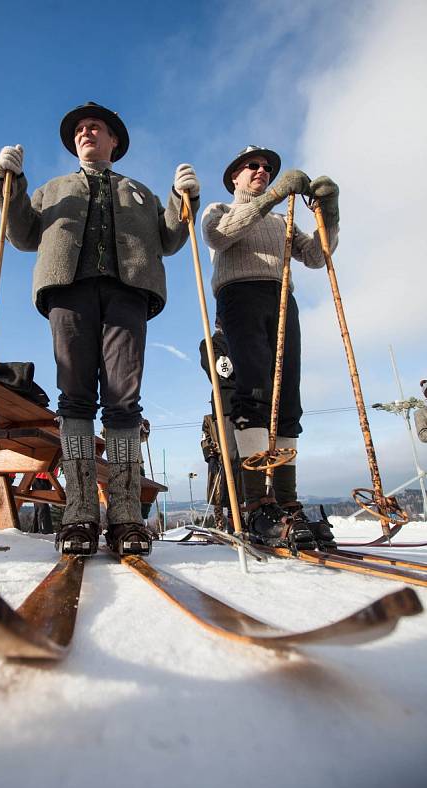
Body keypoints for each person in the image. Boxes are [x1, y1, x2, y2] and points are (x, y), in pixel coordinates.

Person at [0, 102, 200, 557]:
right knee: (75, 396)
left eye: (95, 128)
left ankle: (125, 515)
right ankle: (80, 513)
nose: (86, 132)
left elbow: (169, 238)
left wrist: (181, 199)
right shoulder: (52, 190)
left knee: (124, 400)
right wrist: (8, 184)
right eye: (81, 129)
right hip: (68, 293)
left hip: (129, 294)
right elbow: (23, 233)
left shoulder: (140, 193)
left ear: (114, 142)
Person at [201, 145, 339, 548]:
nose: (261, 170)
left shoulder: (283, 220)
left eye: (266, 167)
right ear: (234, 178)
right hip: (240, 296)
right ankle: (258, 504)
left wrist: (328, 212)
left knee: (288, 398)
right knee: (256, 391)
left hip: (281, 298)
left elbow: (316, 255)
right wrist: (275, 194)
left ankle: (286, 501)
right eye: (253, 166)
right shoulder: (218, 210)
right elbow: (220, 236)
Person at [199, 318, 243, 529]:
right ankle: (234, 517)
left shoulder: (244, 340)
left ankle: (253, 510)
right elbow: (222, 373)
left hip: (251, 403)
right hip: (228, 405)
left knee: (252, 458)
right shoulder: (212, 343)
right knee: (233, 460)